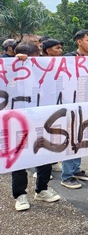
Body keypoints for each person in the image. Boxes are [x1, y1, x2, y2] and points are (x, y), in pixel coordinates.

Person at [11, 41, 62, 211]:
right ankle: (20, 195)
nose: (39, 59)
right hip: (18, 121)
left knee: (44, 155)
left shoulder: (44, 70)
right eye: (36, 56)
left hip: (41, 118)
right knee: (20, 158)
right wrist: (14, 63)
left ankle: (42, 189)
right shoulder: (11, 70)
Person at [60, 30, 88, 189]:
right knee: (71, 140)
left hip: (86, 105)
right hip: (71, 105)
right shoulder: (69, 58)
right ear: (79, 42)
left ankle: (75, 169)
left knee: (81, 138)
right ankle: (66, 176)